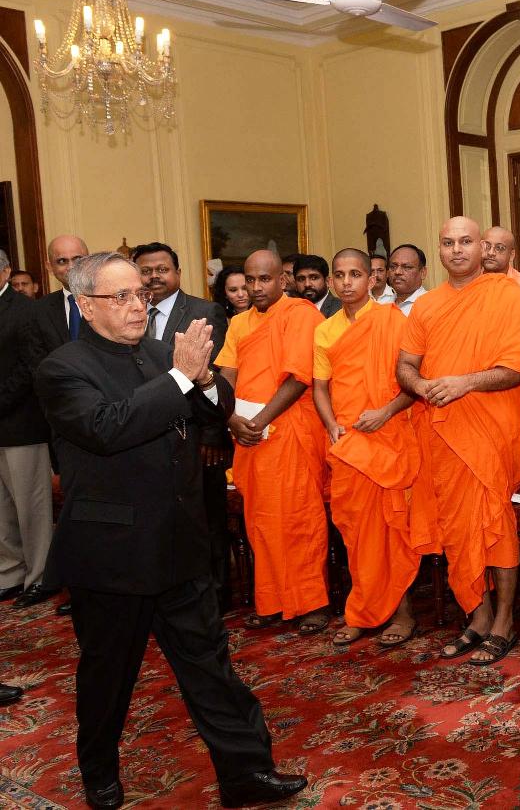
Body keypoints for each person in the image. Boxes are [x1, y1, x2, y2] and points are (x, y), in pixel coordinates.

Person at [34, 252, 306, 810]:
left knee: (210, 666)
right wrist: (182, 376)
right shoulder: (63, 368)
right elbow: (107, 428)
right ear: (86, 305)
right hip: (114, 554)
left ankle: (245, 773)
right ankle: (99, 773)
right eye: (121, 297)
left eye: (141, 294)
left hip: (180, 543)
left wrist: (204, 380)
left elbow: (216, 412)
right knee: (109, 675)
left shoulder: (162, 354)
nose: (139, 305)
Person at [396, 216, 520, 666]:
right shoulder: (427, 306)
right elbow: (405, 366)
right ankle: (478, 615)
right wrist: (422, 386)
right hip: (440, 431)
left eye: (465, 242)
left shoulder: (508, 297)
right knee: (457, 529)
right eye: (448, 242)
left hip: (492, 430)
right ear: (439, 250)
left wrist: (466, 383)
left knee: (495, 524)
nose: (456, 250)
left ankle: (505, 622)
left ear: (483, 248)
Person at [214, 250, 330, 636]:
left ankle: (311, 604)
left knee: (299, 519)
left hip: (290, 430)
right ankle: (272, 600)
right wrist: (230, 418)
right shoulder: (239, 323)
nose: (256, 287)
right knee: (260, 522)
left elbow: (299, 377)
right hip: (248, 435)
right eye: (250, 280)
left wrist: (260, 420)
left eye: (264, 279)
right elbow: (227, 374)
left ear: (282, 280)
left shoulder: (301, 315)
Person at [312, 249, 420, 647]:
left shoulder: (395, 322)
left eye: (355, 274)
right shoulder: (325, 331)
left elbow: (415, 382)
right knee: (356, 534)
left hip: (388, 436)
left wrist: (385, 412)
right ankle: (362, 611)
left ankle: (403, 614)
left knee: (393, 530)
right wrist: (331, 426)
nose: (347, 282)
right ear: (331, 282)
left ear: (372, 279)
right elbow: (320, 387)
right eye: (339, 275)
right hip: (349, 443)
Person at [133, 241, 233, 609]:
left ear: (177, 272)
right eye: (146, 271)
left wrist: (212, 435)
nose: (154, 276)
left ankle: (217, 595)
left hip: (197, 436)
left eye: (162, 269)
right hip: (149, 435)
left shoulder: (204, 311)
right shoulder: (131, 314)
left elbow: (214, 377)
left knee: (208, 519)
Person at [24, 234, 91, 613]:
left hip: (112, 420)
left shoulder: (108, 300)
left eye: (77, 258)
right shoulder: (39, 312)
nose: (70, 267)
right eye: (62, 261)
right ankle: (76, 586)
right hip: (62, 427)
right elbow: (38, 370)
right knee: (72, 510)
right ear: (50, 267)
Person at [0, 254, 54, 607]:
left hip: (21, 424)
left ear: (5, 271)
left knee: (31, 509)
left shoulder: (26, 310)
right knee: (1, 509)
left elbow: (31, 367)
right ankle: (10, 573)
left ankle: (40, 576)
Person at [481, 225, 520, 309]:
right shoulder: (469, 281)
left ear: (512, 255)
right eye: (487, 246)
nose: (491, 253)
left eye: (499, 248)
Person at [385, 243, 429, 315]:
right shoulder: (383, 305)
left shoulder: (432, 305)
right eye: (393, 267)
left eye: (407, 267)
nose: (397, 272)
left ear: (423, 272)